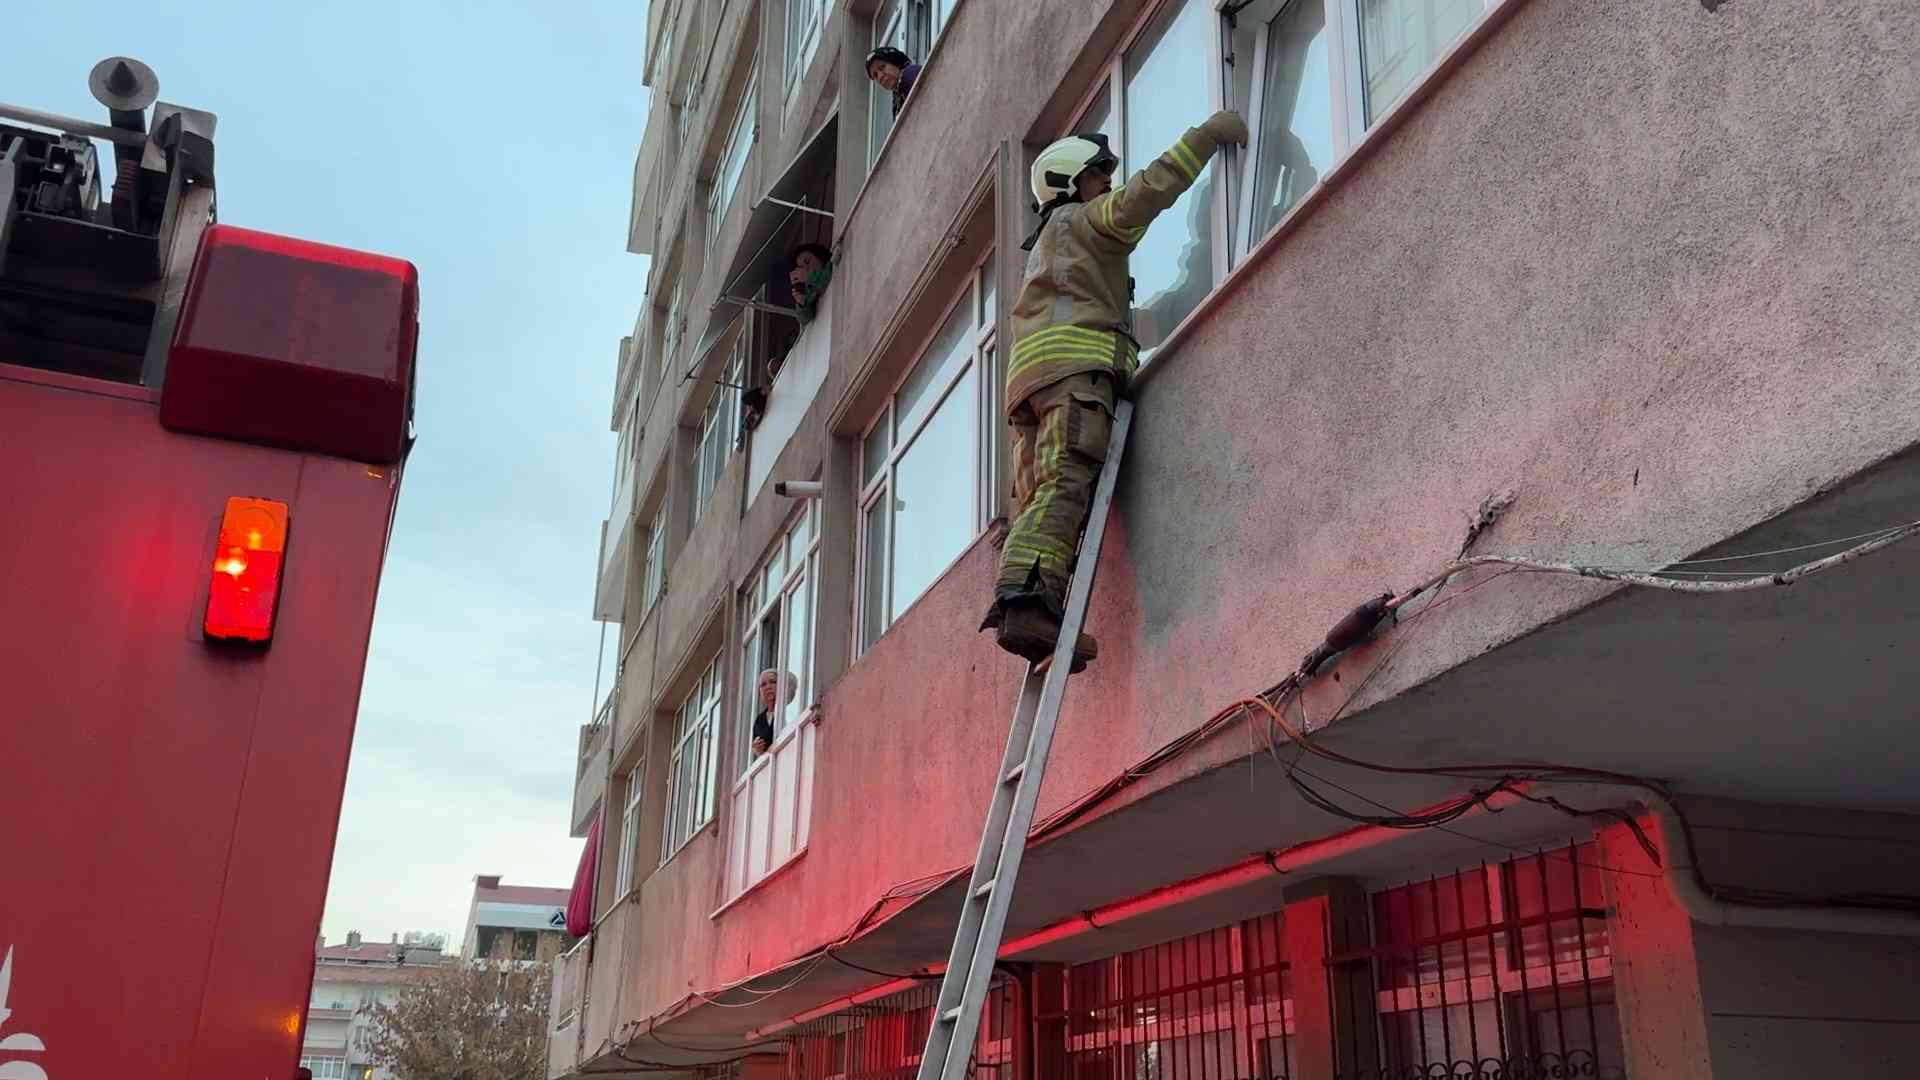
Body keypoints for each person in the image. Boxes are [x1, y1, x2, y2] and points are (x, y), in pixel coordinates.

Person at [980, 111, 1249, 671]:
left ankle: (1028, 611)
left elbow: (1115, 319)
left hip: (1033, 383)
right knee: (1067, 481)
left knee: (1038, 498)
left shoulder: (1052, 252)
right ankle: (1028, 602)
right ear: (1071, 183)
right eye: (1099, 174)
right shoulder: (1081, 222)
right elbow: (1145, 196)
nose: (1108, 183)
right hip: (1074, 375)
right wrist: (1206, 136)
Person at [750, 668, 799, 756]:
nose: (768, 687)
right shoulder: (760, 719)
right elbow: (759, 748)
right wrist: (756, 749)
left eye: (772, 682)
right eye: (763, 684)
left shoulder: (791, 711)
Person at [865, 46, 921, 117]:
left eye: (882, 67)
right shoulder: (897, 98)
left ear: (895, 62)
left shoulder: (910, 73)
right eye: (875, 75)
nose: (880, 76)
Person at [789, 242, 832, 324]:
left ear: (819, 256)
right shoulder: (811, 288)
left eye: (807, 262)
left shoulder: (831, 264)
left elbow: (827, 276)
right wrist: (802, 303)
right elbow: (804, 319)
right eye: (802, 267)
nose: (806, 268)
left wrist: (809, 278)